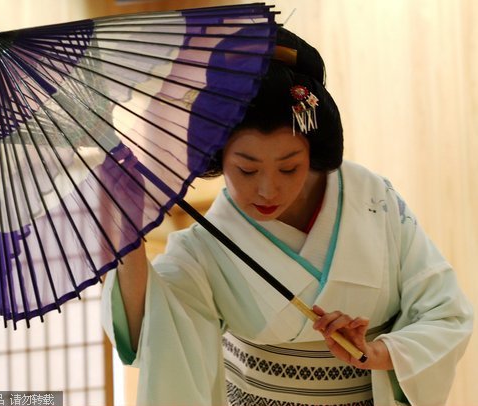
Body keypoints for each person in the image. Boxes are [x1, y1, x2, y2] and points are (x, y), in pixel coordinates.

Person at [100, 26, 473, 406]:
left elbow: (445, 312)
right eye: (246, 170)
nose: (268, 190)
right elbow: (156, 330)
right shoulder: (204, 246)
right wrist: (126, 239)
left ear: (313, 150)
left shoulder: (373, 198)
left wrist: (378, 353)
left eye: (290, 167)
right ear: (218, 156)